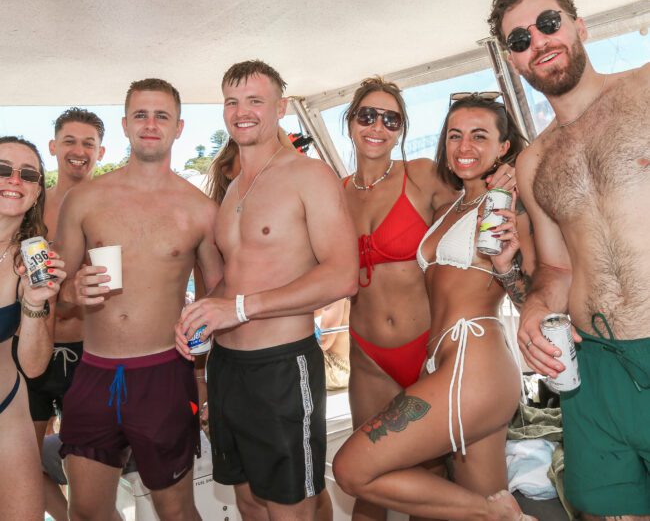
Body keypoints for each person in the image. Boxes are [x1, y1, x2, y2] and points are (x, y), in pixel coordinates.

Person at [488, 0, 650, 519]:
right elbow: (555, 267)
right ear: (514, 61)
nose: (538, 40)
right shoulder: (535, 162)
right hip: (593, 370)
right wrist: (533, 311)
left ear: (578, 26)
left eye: (549, 22)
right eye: (519, 39)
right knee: (609, 508)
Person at [333, 95, 535, 520]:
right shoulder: (454, 206)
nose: (464, 147)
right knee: (471, 501)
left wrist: (507, 269)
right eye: (455, 136)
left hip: (475, 361)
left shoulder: (511, 206)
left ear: (503, 147)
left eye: (480, 136)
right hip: (444, 363)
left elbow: (532, 297)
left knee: (352, 469)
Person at [176, 60, 358, 521]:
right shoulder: (233, 189)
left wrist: (239, 308)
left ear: (280, 107)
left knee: (288, 506)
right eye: (232, 102)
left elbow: (342, 275)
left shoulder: (309, 176)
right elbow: (227, 282)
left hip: (280, 367)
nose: (243, 111)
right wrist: (198, 317)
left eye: (256, 100)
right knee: (247, 499)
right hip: (226, 368)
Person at [55, 79, 223, 521]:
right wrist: (71, 289)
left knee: (177, 512)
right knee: (86, 513)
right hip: (94, 372)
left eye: (162, 115)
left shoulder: (201, 210)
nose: (151, 124)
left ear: (179, 127)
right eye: (141, 115)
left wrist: (203, 375)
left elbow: (216, 296)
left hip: (165, 375)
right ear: (125, 124)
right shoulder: (84, 199)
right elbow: (55, 286)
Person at [12, 107, 105, 520]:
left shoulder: (108, 207)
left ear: (101, 151)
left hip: (89, 353)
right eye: (69, 140)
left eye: (88, 143)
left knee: (88, 471)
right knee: (24, 465)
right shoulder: (29, 207)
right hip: (29, 352)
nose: (78, 150)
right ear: (53, 147)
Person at [0, 136, 65, 520]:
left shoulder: (35, 259)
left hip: (8, 410)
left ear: (37, 191)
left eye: (28, 175)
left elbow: (36, 364)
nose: (14, 180)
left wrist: (37, 303)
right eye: (3, 169)